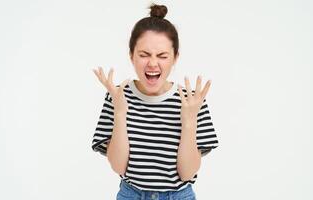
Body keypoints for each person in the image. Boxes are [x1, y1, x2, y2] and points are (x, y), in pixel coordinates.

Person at [91, 4, 219, 200]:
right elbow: (118, 166)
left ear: (175, 57)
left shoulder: (192, 101)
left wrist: (189, 121)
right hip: (131, 195)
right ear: (131, 55)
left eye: (162, 56)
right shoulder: (117, 96)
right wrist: (119, 113)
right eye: (144, 55)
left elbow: (187, 173)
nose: (152, 63)